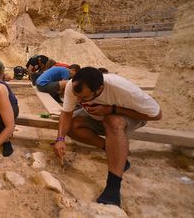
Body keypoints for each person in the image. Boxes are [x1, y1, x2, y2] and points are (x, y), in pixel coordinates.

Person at [53, 67, 162, 206]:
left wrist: (112, 109)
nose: (79, 101)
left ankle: (113, 187)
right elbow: (66, 113)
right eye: (77, 95)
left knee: (112, 122)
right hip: (98, 116)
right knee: (72, 125)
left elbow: (156, 115)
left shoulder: (123, 89)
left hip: (128, 116)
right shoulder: (73, 85)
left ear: (99, 89)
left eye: (84, 98)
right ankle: (114, 153)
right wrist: (60, 139)